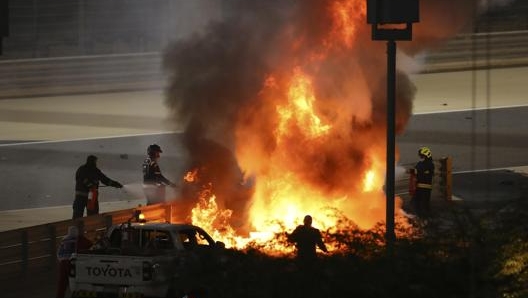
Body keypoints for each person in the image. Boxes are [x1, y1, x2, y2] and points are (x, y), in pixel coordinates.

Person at [73, 155, 123, 219]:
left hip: (84, 196)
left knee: (79, 215)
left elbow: (105, 180)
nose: (96, 163)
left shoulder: (83, 169)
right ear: (93, 161)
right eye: (95, 161)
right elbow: (105, 180)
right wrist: (90, 186)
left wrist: (115, 184)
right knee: (91, 216)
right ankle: (90, 227)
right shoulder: (91, 170)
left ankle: (77, 228)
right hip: (88, 197)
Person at [56, 226, 93, 298]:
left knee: (62, 283)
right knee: (76, 282)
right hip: (74, 263)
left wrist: (61, 260)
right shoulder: (81, 240)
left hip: (63, 263)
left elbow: (58, 253)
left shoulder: (64, 240)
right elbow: (91, 246)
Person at [410, 146, 435, 218]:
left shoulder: (430, 164)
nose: (421, 157)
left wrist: (413, 171)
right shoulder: (421, 163)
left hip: (425, 188)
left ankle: (426, 218)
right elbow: (417, 170)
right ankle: (419, 217)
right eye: (421, 155)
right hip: (419, 187)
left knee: (424, 204)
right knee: (415, 203)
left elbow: (420, 171)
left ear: (426, 155)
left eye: (422, 155)